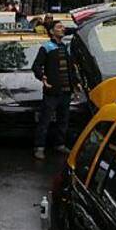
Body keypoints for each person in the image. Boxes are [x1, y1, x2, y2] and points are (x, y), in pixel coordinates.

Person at [31, 20, 81, 160]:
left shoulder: (65, 47)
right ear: (52, 31)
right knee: (45, 120)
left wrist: (76, 83)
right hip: (52, 91)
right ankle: (39, 147)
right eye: (59, 27)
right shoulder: (47, 47)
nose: (62, 29)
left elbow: (70, 68)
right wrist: (42, 77)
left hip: (65, 91)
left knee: (63, 120)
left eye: (63, 27)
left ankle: (60, 143)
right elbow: (36, 66)